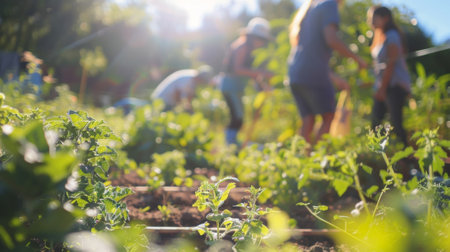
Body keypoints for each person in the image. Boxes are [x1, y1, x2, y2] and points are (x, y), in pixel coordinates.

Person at [288, 0, 367, 145]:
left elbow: (311, 54)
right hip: (312, 71)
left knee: (308, 119)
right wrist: (357, 59)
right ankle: (317, 160)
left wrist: (334, 78)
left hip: (295, 71)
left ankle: (302, 160)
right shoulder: (329, 4)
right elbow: (332, 39)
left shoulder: (310, 9)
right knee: (329, 116)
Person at [220, 17, 273, 145]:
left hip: (236, 87)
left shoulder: (249, 50)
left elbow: (251, 74)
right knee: (237, 116)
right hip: (230, 86)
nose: (260, 42)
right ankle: (230, 144)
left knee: (238, 116)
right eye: (258, 38)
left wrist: (263, 85)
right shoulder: (242, 46)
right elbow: (238, 69)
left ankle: (232, 142)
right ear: (251, 36)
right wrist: (262, 73)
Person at [368, 6, 411, 146]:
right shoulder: (380, 36)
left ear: (385, 18)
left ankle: (408, 161)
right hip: (384, 85)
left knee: (396, 123)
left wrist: (382, 88)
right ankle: (378, 157)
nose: (370, 21)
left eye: (373, 17)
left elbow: (390, 64)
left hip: (394, 86)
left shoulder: (392, 35)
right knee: (376, 122)